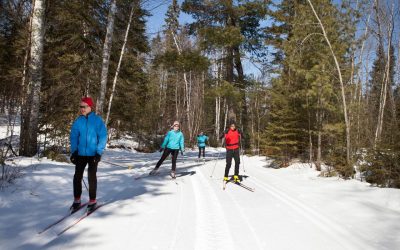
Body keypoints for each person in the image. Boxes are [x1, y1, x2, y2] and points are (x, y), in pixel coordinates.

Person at [69, 97, 107, 213]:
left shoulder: (97, 120)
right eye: (80, 107)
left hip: (93, 155)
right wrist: (74, 151)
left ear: (90, 107)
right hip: (80, 154)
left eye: (84, 106)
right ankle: (77, 200)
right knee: (77, 177)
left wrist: (99, 152)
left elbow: (103, 136)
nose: (82, 109)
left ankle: (92, 200)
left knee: (91, 177)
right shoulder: (78, 121)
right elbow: (74, 137)